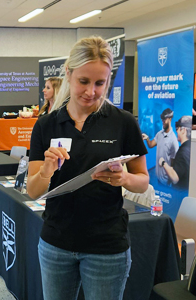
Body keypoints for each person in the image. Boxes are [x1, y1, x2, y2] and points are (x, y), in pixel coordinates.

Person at [26, 36, 149, 300]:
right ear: (68, 73)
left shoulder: (123, 122)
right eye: (83, 81)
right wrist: (47, 169)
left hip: (106, 247)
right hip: (56, 244)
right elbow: (33, 191)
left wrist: (124, 178)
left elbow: (142, 181)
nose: (91, 92)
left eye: (99, 83)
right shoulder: (46, 125)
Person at [142, 108, 178, 185]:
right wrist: (147, 138)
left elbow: (173, 165)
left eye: (164, 119)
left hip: (166, 181)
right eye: (162, 119)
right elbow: (151, 145)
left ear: (170, 119)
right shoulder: (159, 134)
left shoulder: (173, 140)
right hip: (158, 178)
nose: (163, 121)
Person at [160, 115, 192, 190]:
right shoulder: (190, 147)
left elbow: (175, 178)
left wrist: (163, 163)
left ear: (183, 130)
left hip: (179, 193)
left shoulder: (183, 151)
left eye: (177, 129)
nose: (176, 131)